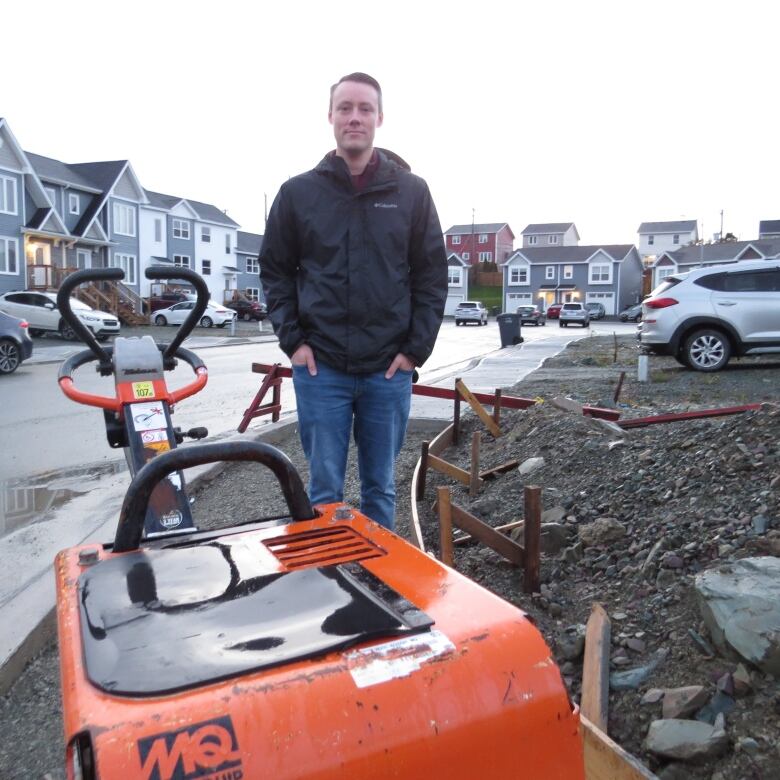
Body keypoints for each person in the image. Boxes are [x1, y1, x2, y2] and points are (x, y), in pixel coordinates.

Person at [260, 72, 447, 531]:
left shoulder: (411, 193)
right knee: (325, 491)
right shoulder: (299, 194)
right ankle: (331, 581)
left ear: (380, 117)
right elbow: (276, 271)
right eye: (345, 108)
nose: (355, 117)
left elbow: (431, 276)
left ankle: (377, 585)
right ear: (330, 117)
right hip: (322, 371)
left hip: (388, 372)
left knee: (380, 487)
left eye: (365, 109)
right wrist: (295, 343)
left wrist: (413, 352)